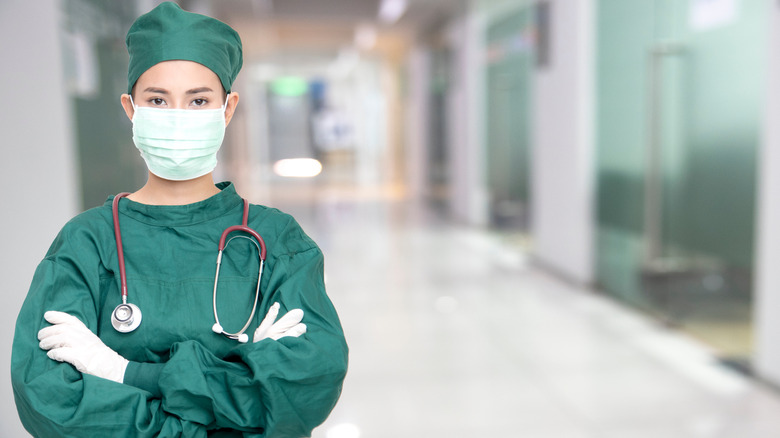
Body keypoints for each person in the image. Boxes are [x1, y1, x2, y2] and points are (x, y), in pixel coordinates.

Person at [10, 3, 348, 437]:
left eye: (199, 100)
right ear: (131, 109)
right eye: (157, 100)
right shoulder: (85, 244)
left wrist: (125, 372)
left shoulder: (276, 241)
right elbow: (49, 402)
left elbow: (305, 390)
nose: (177, 117)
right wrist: (240, 385)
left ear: (227, 109)